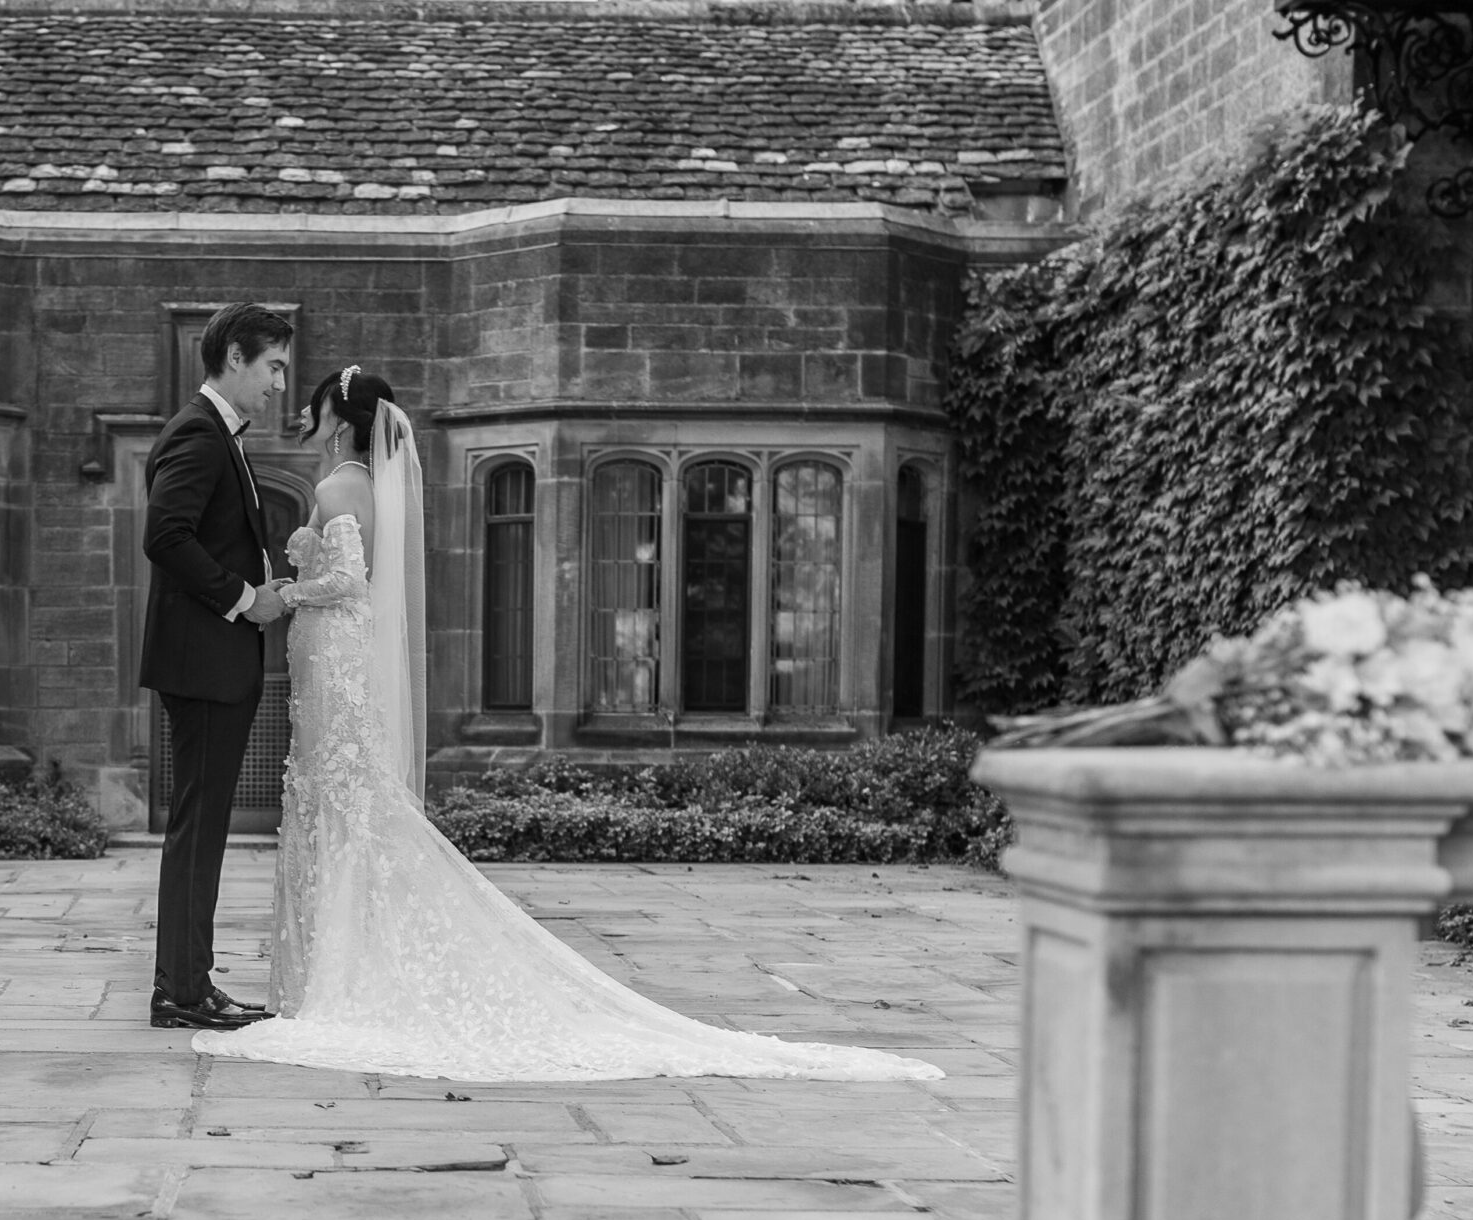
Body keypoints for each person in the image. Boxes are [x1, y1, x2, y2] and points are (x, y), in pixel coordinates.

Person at [195, 365, 943, 1083]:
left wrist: (290, 589)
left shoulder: (337, 483)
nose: (304, 410)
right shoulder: (374, 486)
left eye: (317, 401)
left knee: (339, 799)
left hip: (334, 655)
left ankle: (336, 977)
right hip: (343, 659)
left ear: (341, 416)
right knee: (347, 799)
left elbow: (348, 580)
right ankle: (342, 963)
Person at [139, 303, 296, 1030]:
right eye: (272, 367)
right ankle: (181, 990)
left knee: (201, 829)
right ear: (234, 356)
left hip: (210, 662)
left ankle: (187, 982)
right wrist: (244, 599)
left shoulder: (216, 434)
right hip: (203, 663)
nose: (279, 384)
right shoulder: (200, 433)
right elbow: (164, 536)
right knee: (197, 829)